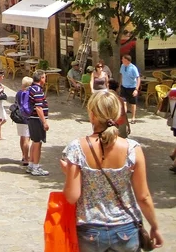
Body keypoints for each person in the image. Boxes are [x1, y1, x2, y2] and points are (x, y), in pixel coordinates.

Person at [61, 90, 163, 251]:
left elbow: (72, 197)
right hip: (126, 228)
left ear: (92, 114)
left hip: (90, 229)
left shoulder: (76, 148)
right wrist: (154, 226)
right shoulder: (132, 148)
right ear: (117, 116)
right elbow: (143, 196)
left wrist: (69, 174)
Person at [27, 70, 49, 176]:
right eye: (44, 77)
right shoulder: (38, 90)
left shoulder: (31, 88)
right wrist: (44, 122)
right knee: (38, 143)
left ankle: (31, 165)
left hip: (32, 118)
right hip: (36, 119)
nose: (45, 79)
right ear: (41, 78)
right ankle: (36, 167)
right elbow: (39, 107)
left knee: (34, 142)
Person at [16, 76, 33, 168]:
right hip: (27, 118)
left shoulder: (19, 93)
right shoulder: (28, 94)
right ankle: (26, 158)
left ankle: (23, 155)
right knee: (27, 139)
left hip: (19, 117)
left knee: (22, 137)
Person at [119, 54, 141, 124]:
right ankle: (124, 117)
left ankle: (133, 117)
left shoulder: (133, 68)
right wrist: (120, 85)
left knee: (133, 103)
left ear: (127, 60)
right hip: (124, 87)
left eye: (123, 59)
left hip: (132, 87)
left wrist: (136, 89)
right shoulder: (122, 66)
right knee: (123, 102)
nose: (122, 60)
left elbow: (138, 78)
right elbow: (122, 75)